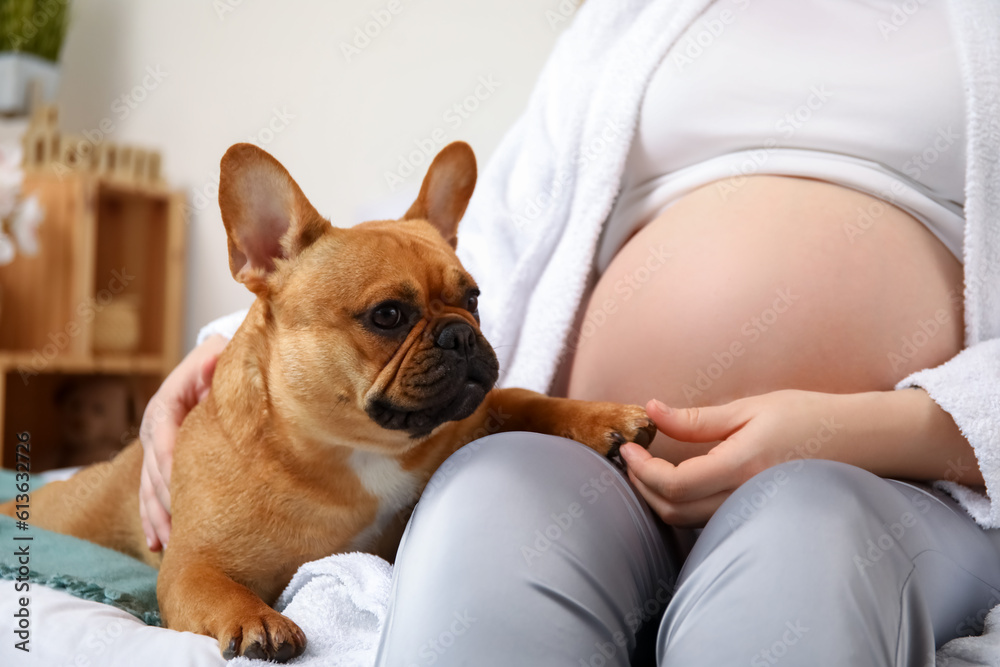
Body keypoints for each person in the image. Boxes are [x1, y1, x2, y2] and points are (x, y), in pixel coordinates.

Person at [140, 0, 1000, 664]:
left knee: (804, 549)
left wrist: (864, 430)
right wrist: (234, 342)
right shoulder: (634, 19)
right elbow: (497, 237)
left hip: (891, 478)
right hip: (601, 460)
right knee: (488, 512)